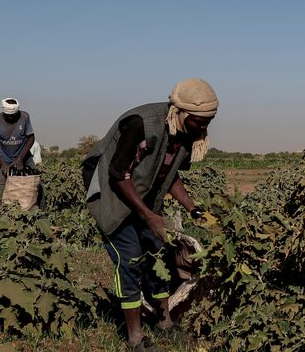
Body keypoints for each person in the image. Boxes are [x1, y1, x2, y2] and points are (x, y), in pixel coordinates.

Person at [81, 78, 218, 351]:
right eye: (199, 122)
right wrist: (150, 216)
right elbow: (119, 174)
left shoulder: (184, 133)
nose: (203, 129)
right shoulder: (141, 123)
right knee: (130, 258)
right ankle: (134, 337)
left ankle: (164, 323)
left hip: (139, 192)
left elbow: (170, 173)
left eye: (208, 122)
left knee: (159, 252)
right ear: (181, 112)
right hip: (110, 190)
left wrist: (192, 208)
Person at [0, 98, 38, 202]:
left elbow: (31, 138)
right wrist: (2, 162)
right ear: (4, 112)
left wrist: (21, 158)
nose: (11, 118)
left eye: (14, 116)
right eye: (8, 116)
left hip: (25, 158)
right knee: (0, 190)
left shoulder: (24, 117)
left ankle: (40, 212)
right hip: (5, 160)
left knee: (36, 186)